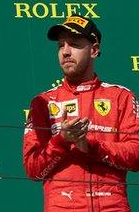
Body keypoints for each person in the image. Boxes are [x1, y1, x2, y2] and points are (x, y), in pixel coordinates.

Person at [23, 15, 139, 211]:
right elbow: (33, 169)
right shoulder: (42, 103)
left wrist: (92, 147)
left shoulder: (121, 96)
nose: (65, 52)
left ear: (94, 50)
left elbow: (137, 155)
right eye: (61, 46)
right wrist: (61, 140)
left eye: (74, 44)